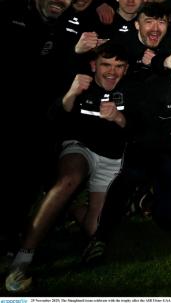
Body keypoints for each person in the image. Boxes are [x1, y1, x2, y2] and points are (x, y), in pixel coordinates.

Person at [80, 33, 171, 265]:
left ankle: (147, 197)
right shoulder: (154, 85)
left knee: (170, 221)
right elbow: (140, 134)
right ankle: (100, 238)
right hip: (148, 147)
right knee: (129, 174)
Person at [5, 43, 130, 294]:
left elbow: (139, 130)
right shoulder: (80, 83)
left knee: (96, 229)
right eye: (106, 65)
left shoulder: (131, 89)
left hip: (111, 160)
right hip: (79, 149)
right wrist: (71, 94)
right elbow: (51, 119)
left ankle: (70, 207)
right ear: (94, 65)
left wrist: (118, 118)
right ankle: (23, 258)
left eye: (119, 67)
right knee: (69, 178)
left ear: (126, 70)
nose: (112, 72)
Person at [0, 0, 78, 252]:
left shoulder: (62, 26)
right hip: (6, 115)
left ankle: (12, 235)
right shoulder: (10, 10)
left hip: (37, 119)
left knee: (26, 182)